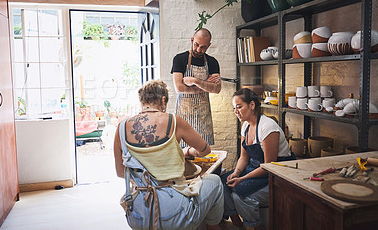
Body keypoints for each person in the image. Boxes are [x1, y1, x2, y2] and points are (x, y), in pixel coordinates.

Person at [114, 80, 224, 230]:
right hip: (174, 213)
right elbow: (205, 151)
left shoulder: (121, 127)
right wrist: (189, 152)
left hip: (138, 215)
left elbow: (121, 173)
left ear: (142, 101)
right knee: (215, 182)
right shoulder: (174, 121)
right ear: (163, 100)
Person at [220, 88, 296, 228]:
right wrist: (236, 173)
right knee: (221, 184)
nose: (236, 111)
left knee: (239, 195)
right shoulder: (246, 126)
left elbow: (269, 166)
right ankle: (237, 223)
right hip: (255, 167)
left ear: (252, 105)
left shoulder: (267, 127)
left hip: (276, 172)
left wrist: (242, 179)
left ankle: (257, 226)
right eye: (234, 108)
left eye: (239, 106)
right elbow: (244, 157)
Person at [171, 28, 221, 146]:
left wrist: (195, 81)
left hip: (203, 116)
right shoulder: (179, 59)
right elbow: (179, 88)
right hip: (183, 114)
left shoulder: (212, 62)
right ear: (192, 40)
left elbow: (217, 89)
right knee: (181, 152)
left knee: (203, 153)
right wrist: (205, 85)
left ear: (209, 46)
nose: (198, 49)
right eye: (196, 45)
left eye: (203, 47)